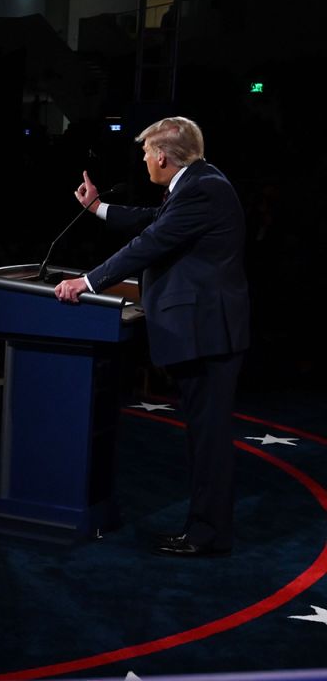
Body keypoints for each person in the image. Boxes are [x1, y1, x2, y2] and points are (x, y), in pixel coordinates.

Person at [54, 117, 249, 558]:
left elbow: (152, 240)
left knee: (209, 439)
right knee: (204, 436)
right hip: (206, 332)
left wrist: (89, 281)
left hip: (208, 333)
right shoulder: (199, 182)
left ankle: (208, 535)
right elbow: (154, 219)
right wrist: (98, 208)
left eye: (146, 153)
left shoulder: (202, 188)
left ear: (162, 155)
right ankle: (205, 529)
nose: (144, 160)